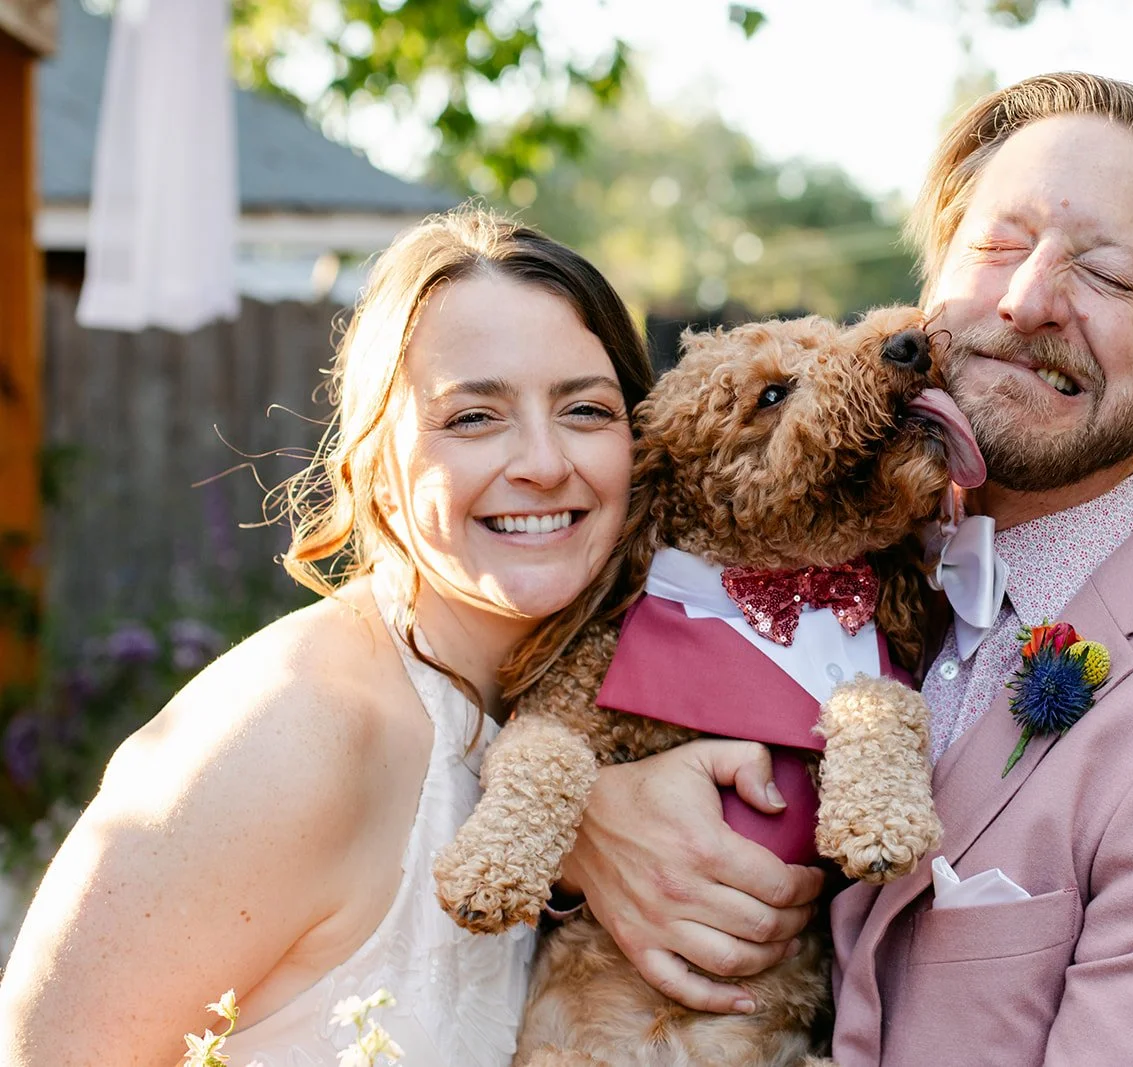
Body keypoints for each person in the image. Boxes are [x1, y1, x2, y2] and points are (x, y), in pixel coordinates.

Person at [555, 73, 1133, 1065]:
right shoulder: (831, 545)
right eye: (995, 246)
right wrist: (585, 820)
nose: (1028, 298)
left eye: (1108, 275)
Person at [0, 209, 654, 1067]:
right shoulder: (297, 728)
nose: (542, 460)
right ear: (377, 462)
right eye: (472, 418)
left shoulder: (573, 723)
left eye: (586, 409)